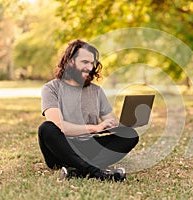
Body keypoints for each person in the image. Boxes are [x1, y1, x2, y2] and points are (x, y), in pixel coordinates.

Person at [38, 39, 139, 182]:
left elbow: (109, 121)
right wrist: (95, 127)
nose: (89, 67)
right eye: (85, 62)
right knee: (46, 128)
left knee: (130, 135)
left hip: (89, 147)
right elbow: (59, 126)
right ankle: (98, 172)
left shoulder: (96, 91)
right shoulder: (51, 88)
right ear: (70, 61)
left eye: (92, 63)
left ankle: (77, 170)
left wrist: (121, 125)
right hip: (61, 150)